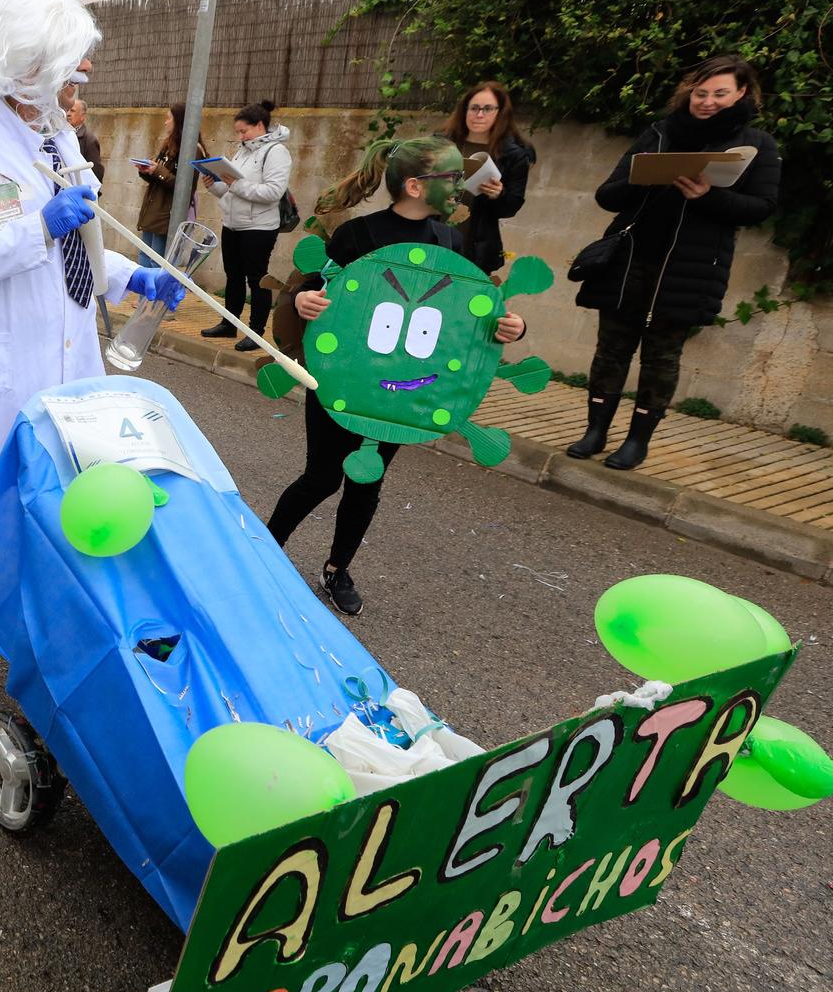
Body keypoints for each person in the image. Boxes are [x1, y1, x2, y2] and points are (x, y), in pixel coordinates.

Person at [0, 0, 180, 701]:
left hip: (66, 361)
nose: (75, 80)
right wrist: (37, 229)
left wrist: (137, 279)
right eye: (66, 66)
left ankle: (37, 639)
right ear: (29, 64)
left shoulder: (60, 139)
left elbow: (86, 244)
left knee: (56, 510)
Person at [266, 136, 526, 615]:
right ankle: (261, 553)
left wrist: (507, 325)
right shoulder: (357, 236)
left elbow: (460, 318)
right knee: (322, 477)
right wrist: (305, 303)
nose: (459, 188)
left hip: (401, 390)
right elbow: (313, 293)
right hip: (341, 381)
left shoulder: (451, 241)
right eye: (451, 178)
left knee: (367, 482)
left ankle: (336, 570)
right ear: (413, 185)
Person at [567, 54, 780, 471]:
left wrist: (709, 196)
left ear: (741, 93)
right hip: (629, 260)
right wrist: (643, 178)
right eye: (701, 93)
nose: (708, 101)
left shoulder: (756, 145)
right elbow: (607, 194)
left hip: (688, 269)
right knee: (611, 350)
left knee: (661, 357)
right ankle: (594, 430)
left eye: (720, 93)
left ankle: (637, 441)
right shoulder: (659, 133)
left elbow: (762, 207)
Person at [199, 100, 292, 352]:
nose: (240, 136)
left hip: (259, 228)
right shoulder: (243, 150)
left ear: (260, 125)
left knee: (257, 279)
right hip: (233, 224)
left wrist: (234, 185)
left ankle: (256, 332)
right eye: (238, 132)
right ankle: (229, 324)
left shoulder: (276, 152)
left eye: (244, 131)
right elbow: (231, 190)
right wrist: (213, 185)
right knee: (234, 277)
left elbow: (273, 191)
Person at [441, 81, 534, 274]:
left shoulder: (513, 155)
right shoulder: (442, 144)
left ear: (500, 113)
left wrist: (498, 195)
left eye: (488, 109)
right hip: (433, 239)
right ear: (464, 110)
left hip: (474, 248)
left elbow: (511, 206)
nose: (479, 115)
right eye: (474, 108)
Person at [135, 103, 207, 259]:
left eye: (169, 118)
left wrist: (158, 170)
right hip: (153, 211)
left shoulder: (193, 150)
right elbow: (160, 176)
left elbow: (184, 187)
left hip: (167, 215)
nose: (165, 122)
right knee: (144, 258)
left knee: (158, 262)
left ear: (179, 121)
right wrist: (146, 170)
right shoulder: (169, 145)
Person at [67, 93, 104, 183]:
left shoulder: (89, 140)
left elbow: (96, 171)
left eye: (72, 111)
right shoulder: (63, 134)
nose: (68, 114)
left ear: (83, 116)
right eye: (67, 110)